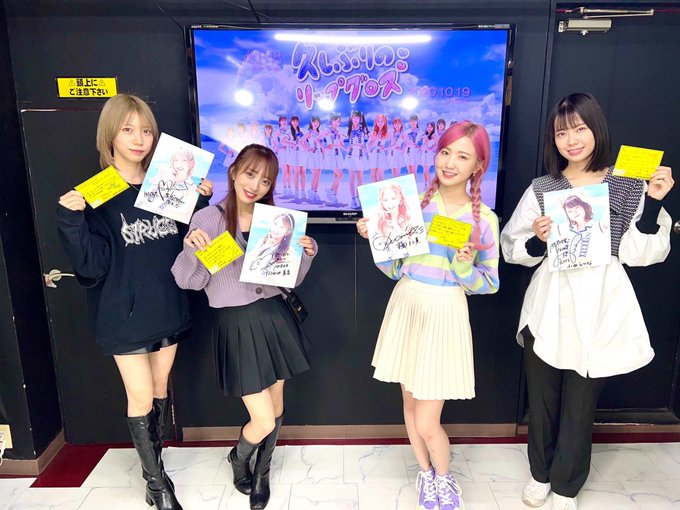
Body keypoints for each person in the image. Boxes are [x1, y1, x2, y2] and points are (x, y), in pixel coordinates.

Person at [500, 92, 674, 510]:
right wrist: (538, 240)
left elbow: (642, 253)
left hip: (600, 300)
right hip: (550, 301)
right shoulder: (543, 188)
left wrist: (653, 203)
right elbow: (512, 246)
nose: (571, 140)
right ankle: (540, 474)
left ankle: (566, 485)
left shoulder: (627, 183)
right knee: (542, 397)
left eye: (579, 128)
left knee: (581, 401)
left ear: (597, 129)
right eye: (562, 132)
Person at [56, 94, 213, 510]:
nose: (139, 139)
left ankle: (154, 464)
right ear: (110, 134)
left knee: (160, 389)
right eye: (127, 129)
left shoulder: (169, 182)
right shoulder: (98, 191)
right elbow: (92, 267)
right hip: (123, 313)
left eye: (145, 130)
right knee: (140, 396)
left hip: (169, 304)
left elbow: (188, 244)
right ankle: (157, 484)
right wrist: (70, 220)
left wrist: (199, 201)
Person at [357, 121, 500, 510]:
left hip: (445, 310)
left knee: (427, 419)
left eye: (462, 156)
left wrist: (465, 265)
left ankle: (444, 475)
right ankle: (426, 473)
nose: (450, 163)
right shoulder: (411, 205)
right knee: (408, 402)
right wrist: (377, 240)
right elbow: (394, 269)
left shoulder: (484, 220)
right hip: (407, 303)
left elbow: (489, 283)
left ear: (478, 166)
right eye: (445, 152)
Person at [171, 144, 318, 510]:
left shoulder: (276, 219)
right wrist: (192, 249)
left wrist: (306, 253)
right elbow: (190, 281)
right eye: (250, 174)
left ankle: (262, 471)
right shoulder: (208, 218)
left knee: (277, 404)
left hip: (274, 318)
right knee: (263, 418)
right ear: (234, 172)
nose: (255, 185)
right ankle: (239, 459)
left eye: (265, 180)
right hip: (235, 323)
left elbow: (290, 278)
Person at [346, 110, 370, 209]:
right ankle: (353, 199)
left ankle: (359, 198)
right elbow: (339, 140)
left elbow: (368, 142)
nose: (356, 119)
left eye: (358, 117)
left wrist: (367, 151)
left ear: (360, 119)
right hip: (351, 155)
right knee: (352, 177)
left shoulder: (364, 129)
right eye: (354, 117)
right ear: (351, 118)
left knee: (360, 177)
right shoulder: (347, 129)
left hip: (360, 154)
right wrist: (345, 148)